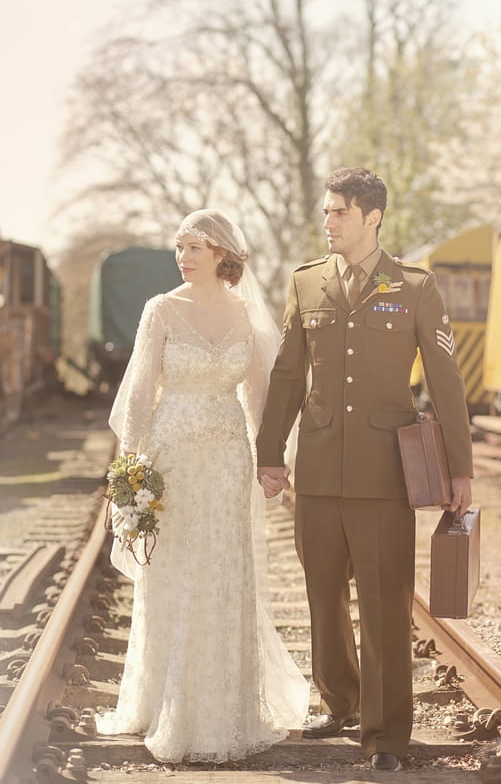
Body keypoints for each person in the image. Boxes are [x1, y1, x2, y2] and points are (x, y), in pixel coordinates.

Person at [256, 167, 473, 773]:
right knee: (323, 597)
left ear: (371, 217)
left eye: (339, 213)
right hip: (319, 470)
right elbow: (287, 375)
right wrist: (269, 451)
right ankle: (340, 701)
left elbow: (446, 383)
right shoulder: (306, 284)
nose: (328, 222)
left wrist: (462, 470)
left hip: (385, 476)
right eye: (326, 212)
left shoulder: (414, 286)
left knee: (383, 605)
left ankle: (385, 736)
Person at [96, 210, 310, 764]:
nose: (183, 257)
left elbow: (261, 399)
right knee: (173, 576)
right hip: (170, 461)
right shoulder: (160, 310)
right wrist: (129, 474)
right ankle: (161, 703)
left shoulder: (247, 314)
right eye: (179, 247)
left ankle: (224, 710)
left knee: (221, 574)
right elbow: (140, 395)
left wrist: (272, 464)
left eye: (194, 247)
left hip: (225, 463)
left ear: (222, 254)